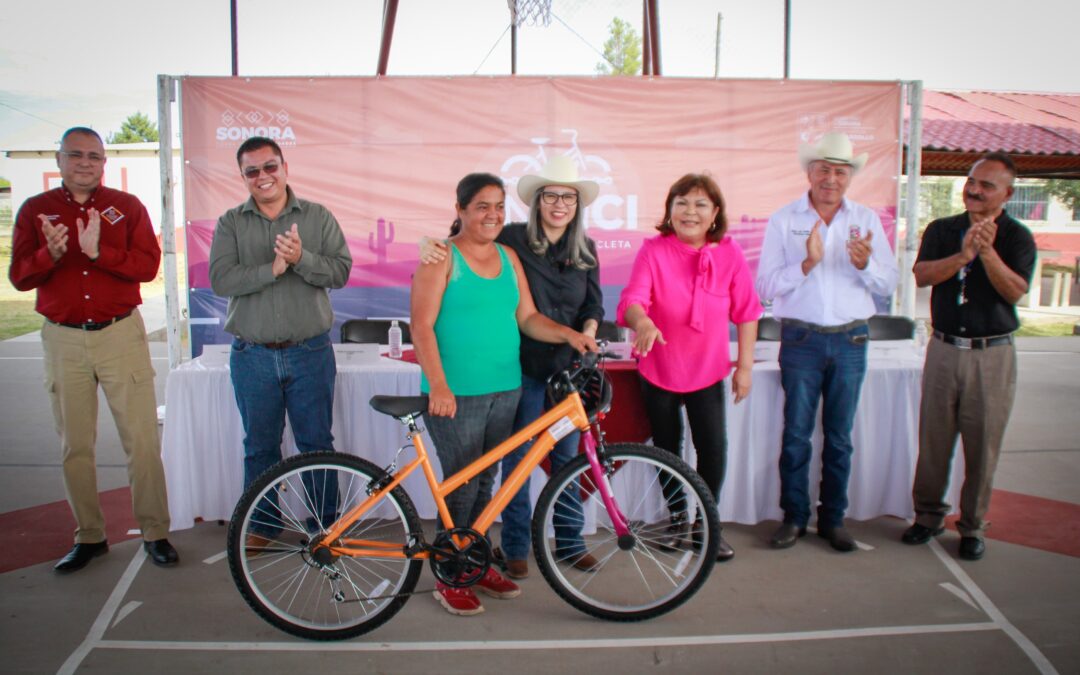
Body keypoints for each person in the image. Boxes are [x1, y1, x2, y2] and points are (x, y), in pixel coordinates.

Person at [411, 172, 597, 616]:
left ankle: (473, 561)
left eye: (498, 206)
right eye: (481, 207)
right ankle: (449, 575)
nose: (492, 215)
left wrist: (570, 335)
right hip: (455, 394)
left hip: (507, 389)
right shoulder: (441, 258)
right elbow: (420, 326)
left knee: (486, 486)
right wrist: (438, 384)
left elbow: (529, 318)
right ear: (459, 210)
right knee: (460, 485)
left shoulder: (509, 255)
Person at [8, 126, 178, 571]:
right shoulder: (36, 211)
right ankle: (90, 535)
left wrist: (100, 252)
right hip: (63, 338)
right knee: (75, 445)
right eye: (76, 155)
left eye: (94, 156)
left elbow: (148, 266)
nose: (85, 162)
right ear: (59, 161)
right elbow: (20, 277)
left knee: (141, 440)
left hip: (120, 334)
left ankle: (155, 531)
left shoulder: (125, 207)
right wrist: (51, 254)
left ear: (104, 163)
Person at [756, 131, 898, 552]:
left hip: (852, 338)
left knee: (839, 437)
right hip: (800, 338)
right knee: (796, 435)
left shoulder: (867, 221)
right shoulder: (785, 219)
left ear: (850, 176)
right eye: (823, 169)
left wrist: (865, 264)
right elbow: (764, 286)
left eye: (840, 171)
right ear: (809, 172)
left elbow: (888, 281)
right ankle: (794, 518)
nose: (831, 178)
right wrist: (806, 263)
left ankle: (833, 519)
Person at [208, 137, 352, 544]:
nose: (262, 176)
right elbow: (221, 280)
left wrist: (301, 259)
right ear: (243, 177)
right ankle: (263, 526)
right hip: (252, 356)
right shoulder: (231, 222)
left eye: (269, 166)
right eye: (252, 171)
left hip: (310, 352)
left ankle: (326, 527)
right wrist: (271, 269)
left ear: (285, 167)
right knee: (260, 447)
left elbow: (340, 273)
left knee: (316, 445)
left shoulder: (318, 217)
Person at [617, 173, 761, 562]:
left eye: (700, 204)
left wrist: (744, 367)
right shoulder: (653, 250)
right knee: (667, 449)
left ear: (714, 213)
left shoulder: (729, 254)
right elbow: (633, 299)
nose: (689, 211)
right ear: (670, 210)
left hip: (708, 369)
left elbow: (747, 313)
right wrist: (642, 321)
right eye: (681, 202)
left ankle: (707, 525)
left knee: (712, 448)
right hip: (660, 365)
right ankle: (679, 519)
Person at [902, 152, 1035, 561]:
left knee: (983, 445)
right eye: (972, 181)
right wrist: (962, 256)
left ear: (1007, 194)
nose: (974, 190)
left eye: (986, 185)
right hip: (943, 349)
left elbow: (1015, 291)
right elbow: (922, 274)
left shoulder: (1017, 237)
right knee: (934, 440)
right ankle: (927, 517)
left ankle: (973, 526)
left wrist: (987, 253)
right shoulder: (943, 229)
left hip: (991, 355)